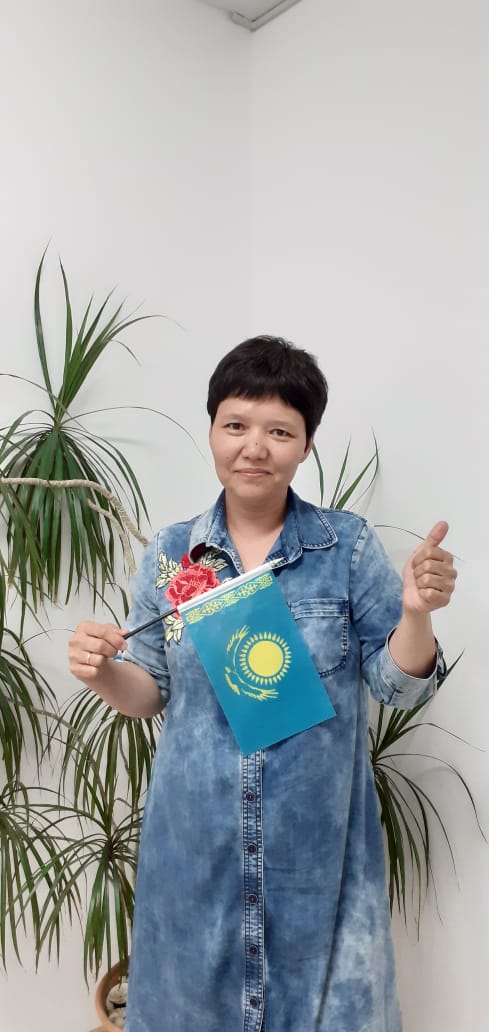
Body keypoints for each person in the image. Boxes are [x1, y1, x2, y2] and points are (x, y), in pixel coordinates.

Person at [68, 336, 457, 1032]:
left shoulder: (345, 548)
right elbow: (149, 690)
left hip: (319, 859)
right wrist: (102, 671)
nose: (254, 447)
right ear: (211, 430)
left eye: (279, 430)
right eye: (236, 424)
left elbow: (395, 686)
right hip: (198, 853)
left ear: (305, 444)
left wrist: (415, 613)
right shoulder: (173, 555)